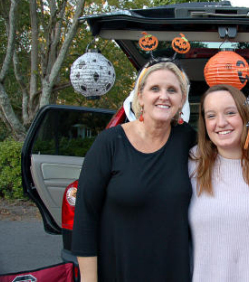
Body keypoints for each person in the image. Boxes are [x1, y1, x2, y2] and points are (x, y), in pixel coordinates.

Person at [71, 60, 196, 282]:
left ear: (181, 100)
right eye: (155, 89)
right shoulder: (109, 143)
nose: (163, 96)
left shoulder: (186, 139)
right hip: (119, 270)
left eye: (172, 90)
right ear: (140, 96)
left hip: (172, 272)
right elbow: (85, 217)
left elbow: (226, 148)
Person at [188, 84, 249, 282]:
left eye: (230, 112)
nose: (221, 122)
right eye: (211, 115)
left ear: (245, 116)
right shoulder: (192, 164)